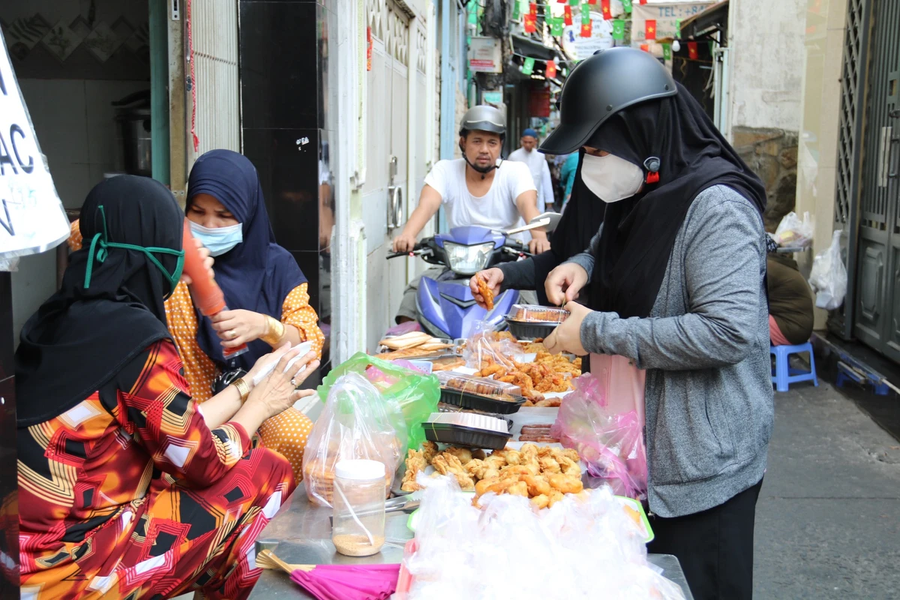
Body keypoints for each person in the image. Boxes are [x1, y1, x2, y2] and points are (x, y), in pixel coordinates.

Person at [537, 48, 774, 599]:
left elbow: (728, 331)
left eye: (597, 149)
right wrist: (581, 264)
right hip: (632, 451)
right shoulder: (640, 191)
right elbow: (609, 249)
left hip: (698, 472)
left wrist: (596, 331)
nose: (593, 162)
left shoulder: (716, 207)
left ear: (641, 133)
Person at [16, 176, 320, 599]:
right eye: (187, 223)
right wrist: (262, 404)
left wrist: (249, 383)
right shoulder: (136, 337)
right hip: (73, 571)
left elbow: (173, 426)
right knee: (265, 473)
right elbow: (202, 463)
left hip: (23, 558)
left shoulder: (53, 317)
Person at [68, 150, 324, 481]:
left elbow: (310, 344)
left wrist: (265, 326)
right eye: (197, 212)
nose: (209, 226)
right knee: (200, 476)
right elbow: (87, 232)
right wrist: (162, 232)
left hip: (252, 394)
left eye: (224, 215)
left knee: (299, 443)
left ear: (248, 214)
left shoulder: (275, 265)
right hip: (176, 400)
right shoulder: (170, 268)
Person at [392, 106, 550, 323]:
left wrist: (539, 238)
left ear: (500, 145)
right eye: (477, 141)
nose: (484, 149)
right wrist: (408, 235)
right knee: (412, 300)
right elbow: (427, 205)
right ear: (463, 143)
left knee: (532, 312)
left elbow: (528, 206)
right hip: (453, 265)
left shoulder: (516, 172)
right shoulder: (445, 170)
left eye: (492, 142)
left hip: (506, 265)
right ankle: (405, 354)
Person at [472, 149, 605, 309]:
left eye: (598, 152)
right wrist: (504, 274)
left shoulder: (638, 212)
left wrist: (590, 325)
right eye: (587, 152)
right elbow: (559, 260)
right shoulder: (585, 198)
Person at [766, 237, 815, 345]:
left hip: (791, 328)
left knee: (741, 326)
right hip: (797, 327)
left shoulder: (769, 268)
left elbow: (745, 297)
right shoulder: (777, 264)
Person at [508, 128, 555, 213]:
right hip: (517, 199)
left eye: (530, 142)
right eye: (525, 142)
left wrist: (549, 202)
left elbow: (546, 178)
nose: (527, 145)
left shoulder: (540, 156)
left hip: (536, 198)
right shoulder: (514, 156)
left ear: (535, 141)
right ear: (521, 141)